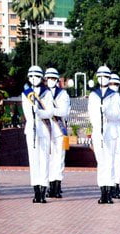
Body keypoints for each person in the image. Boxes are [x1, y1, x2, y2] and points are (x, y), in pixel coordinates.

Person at [88, 65, 120, 204]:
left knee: (109, 162)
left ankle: (109, 190)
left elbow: (116, 114)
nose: (103, 79)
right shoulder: (93, 95)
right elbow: (91, 114)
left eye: (106, 76)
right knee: (101, 162)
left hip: (110, 132)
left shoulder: (114, 95)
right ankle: (102, 192)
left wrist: (106, 111)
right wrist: (98, 125)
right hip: (98, 132)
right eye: (100, 76)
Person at [22, 65, 54, 203]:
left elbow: (50, 112)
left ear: (41, 78)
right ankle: (36, 191)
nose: (34, 78)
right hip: (32, 129)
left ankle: (43, 190)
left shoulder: (47, 93)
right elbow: (26, 113)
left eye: (37, 76)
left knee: (44, 160)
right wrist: (32, 113)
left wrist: (39, 112)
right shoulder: (26, 93)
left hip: (44, 128)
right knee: (34, 161)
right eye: (31, 76)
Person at [44, 68, 71, 200]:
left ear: (56, 80)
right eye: (48, 78)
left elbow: (64, 112)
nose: (51, 80)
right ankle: (50, 186)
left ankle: (57, 186)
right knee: (49, 159)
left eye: (53, 78)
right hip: (47, 130)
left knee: (59, 159)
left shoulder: (63, 94)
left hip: (60, 130)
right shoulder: (42, 93)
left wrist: (50, 110)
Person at [107, 73, 120, 199]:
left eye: (115, 84)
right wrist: (116, 115)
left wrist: (114, 115)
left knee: (118, 158)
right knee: (109, 157)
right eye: (111, 83)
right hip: (109, 128)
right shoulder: (106, 97)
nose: (113, 86)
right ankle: (109, 184)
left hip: (119, 128)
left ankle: (116, 183)